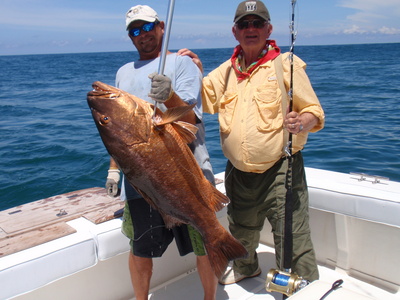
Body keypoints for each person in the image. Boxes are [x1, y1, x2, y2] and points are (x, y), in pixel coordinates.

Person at [178, 0, 325, 285]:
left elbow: (314, 111)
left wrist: (302, 121)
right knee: (241, 228)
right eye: (244, 24)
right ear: (235, 32)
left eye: (257, 23)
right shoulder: (225, 72)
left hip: (281, 170)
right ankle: (247, 267)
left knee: (291, 234)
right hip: (239, 174)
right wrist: (189, 73)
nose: (251, 29)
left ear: (268, 29)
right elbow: (200, 103)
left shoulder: (286, 64)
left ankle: (304, 284)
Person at [105, 5, 218, 300]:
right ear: (130, 37)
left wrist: (169, 96)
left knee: (205, 241)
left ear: (161, 26)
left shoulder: (182, 64)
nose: (142, 35)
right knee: (139, 247)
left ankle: (210, 297)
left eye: (146, 27)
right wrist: (114, 169)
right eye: (135, 31)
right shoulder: (123, 73)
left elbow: (190, 121)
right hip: (142, 181)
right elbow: (119, 135)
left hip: (186, 172)